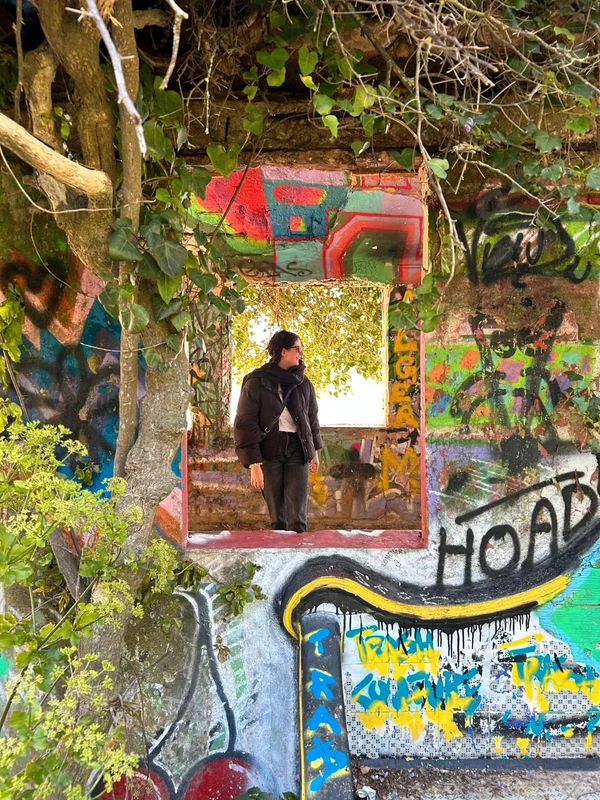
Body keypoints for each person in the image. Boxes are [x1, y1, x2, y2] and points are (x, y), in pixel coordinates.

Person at [233, 330, 322, 533]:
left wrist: (314, 450)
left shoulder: (303, 383)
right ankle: (280, 550)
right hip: (269, 448)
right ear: (283, 351)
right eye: (297, 348)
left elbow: (311, 418)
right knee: (277, 517)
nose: (301, 353)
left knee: (298, 517)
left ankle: (298, 551)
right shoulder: (257, 381)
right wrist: (254, 464)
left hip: (298, 447)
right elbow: (245, 423)